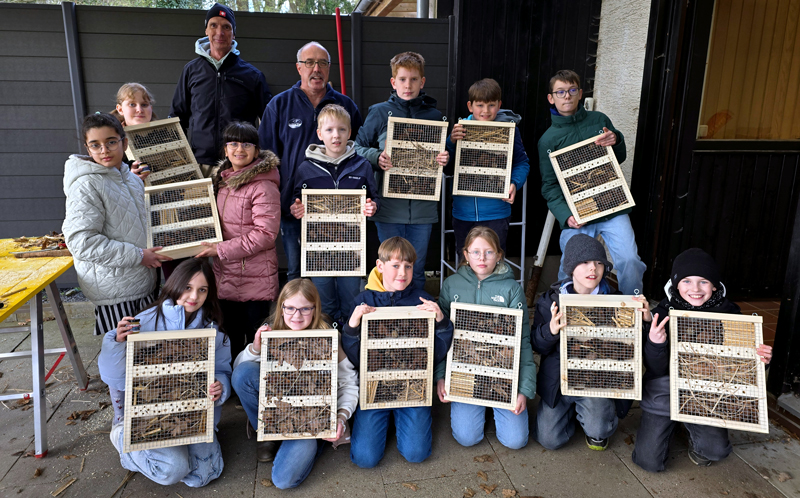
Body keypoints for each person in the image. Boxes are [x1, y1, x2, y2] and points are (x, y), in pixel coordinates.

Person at [632, 248, 773, 471]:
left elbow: (742, 367)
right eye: (686, 281)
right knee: (648, 461)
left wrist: (760, 358)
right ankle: (671, 423)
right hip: (665, 389)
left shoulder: (729, 316)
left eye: (703, 281)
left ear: (715, 285)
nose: (695, 289)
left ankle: (695, 434)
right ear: (676, 284)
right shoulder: (663, 312)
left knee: (715, 451)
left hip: (708, 393)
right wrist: (656, 343)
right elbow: (655, 369)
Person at [97, 258, 232, 487]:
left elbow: (221, 369)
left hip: (192, 414)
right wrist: (117, 342)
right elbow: (114, 377)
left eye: (202, 290)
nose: (193, 297)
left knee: (204, 476)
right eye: (187, 288)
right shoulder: (146, 321)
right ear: (175, 284)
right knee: (172, 470)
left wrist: (221, 386)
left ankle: (176, 451)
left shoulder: (212, 329)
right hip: (150, 413)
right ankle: (122, 437)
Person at [230, 279, 358, 489]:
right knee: (244, 372)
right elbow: (240, 375)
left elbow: (349, 383)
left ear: (315, 309)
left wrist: (341, 418)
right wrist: (255, 348)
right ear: (281, 308)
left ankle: (305, 443)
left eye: (305, 309)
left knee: (283, 480)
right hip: (277, 411)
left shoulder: (329, 337)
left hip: (311, 419)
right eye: (290, 308)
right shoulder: (271, 334)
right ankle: (265, 434)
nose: (296, 316)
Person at [340, 236, 454, 468]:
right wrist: (351, 327)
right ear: (380, 266)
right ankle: (384, 420)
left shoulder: (422, 300)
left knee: (417, 453)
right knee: (364, 458)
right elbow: (352, 357)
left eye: (408, 266)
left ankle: (399, 419)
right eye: (395, 265)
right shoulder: (363, 301)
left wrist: (441, 321)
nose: (402, 272)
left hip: (412, 385)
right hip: (375, 386)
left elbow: (438, 351)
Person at [531, 233, 650, 451]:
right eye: (584, 262)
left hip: (598, 379)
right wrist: (551, 331)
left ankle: (598, 420)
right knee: (549, 440)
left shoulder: (617, 301)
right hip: (560, 380)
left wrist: (644, 322)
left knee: (598, 431)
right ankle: (574, 415)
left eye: (598, 263)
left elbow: (632, 349)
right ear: (570, 267)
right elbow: (537, 345)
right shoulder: (551, 300)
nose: (592, 268)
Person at [258, 41, 362, 282]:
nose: (316, 68)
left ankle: (328, 318)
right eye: (309, 63)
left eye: (322, 63)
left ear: (329, 68)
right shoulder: (279, 105)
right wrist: (279, 199)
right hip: (294, 206)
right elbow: (266, 158)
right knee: (296, 270)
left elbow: (359, 150)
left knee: (334, 268)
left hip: (337, 207)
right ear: (299, 68)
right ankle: (297, 318)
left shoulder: (345, 106)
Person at [537, 69, 646, 295]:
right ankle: (561, 310)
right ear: (551, 98)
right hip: (578, 214)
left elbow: (619, 156)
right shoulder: (548, 139)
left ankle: (634, 316)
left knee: (630, 261)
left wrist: (616, 140)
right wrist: (566, 215)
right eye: (560, 92)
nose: (567, 96)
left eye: (572, 90)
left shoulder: (599, 120)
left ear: (580, 93)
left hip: (611, 206)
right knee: (571, 265)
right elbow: (549, 185)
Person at [62, 113, 170, 336]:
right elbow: (82, 242)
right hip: (116, 293)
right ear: (87, 148)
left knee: (145, 348)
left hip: (141, 283)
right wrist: (140, 255)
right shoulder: (86, 185)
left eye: (111, 142)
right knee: (123, 351)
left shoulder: (129, 178)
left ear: (124, 142)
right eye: (95, 145)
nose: (104, 150)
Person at [355, 51, 449, 292]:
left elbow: (442, 154)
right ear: (393, 82)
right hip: (388, 208)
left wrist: (443, 156)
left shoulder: (434, 116)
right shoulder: (378, 112)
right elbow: (356, 149)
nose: (408, 85)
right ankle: (388, 315)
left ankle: (415, 318)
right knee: (390, 268)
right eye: (403, 79)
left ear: (422, 81)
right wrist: (377, 157)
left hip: (423, 208)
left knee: (415, 269)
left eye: (414, 79)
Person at [436, 226, 536, 449]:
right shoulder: (451, 285)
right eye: (475, 252)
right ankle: (481, 408)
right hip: (465, 371)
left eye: (489, 252)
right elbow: (441, 336)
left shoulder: (512, 289)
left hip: (504, 374)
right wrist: (441, 377)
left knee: (515, 441)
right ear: (465, 254)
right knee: (466, 438)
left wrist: (524, 390)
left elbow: (523, 340)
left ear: (499, 255)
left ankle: (494, 405)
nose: (482, 258)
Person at [195, 122, 280, 361]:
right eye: (233, 143)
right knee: (229, 336)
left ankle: (252, 386)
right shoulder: (222, 182)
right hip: (226, 275)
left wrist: (219, 249)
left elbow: (265, 234)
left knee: (255, 338)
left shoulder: (263, 185)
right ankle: (229, 384)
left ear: (256, 150)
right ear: (225, 149)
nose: (239, 149)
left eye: (246, 144)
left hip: (255, 279)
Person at [290, 104, 380, 327]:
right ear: (320, 134)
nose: (336, 135)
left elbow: (374, 197)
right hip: (319, 250)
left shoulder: (362, 165)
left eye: (341, 129)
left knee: (351, 298)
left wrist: (372, 207)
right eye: (329, 130)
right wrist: (296, 208)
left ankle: (350, 346)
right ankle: (330, 346)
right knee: (324, 303)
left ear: (349, 133)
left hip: (352, 248)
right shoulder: (306, 168)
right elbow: (296, 201)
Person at [170, 3, 271, 178]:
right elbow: (177, 117)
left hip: (239, 166)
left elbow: (269, 121)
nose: (220, 32)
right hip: (200, 165)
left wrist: (257, 157)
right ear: (206, 30)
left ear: (233, 34)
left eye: (226, 27)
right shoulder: (191, 70)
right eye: (214, 25)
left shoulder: (252, 75)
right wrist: (182, 159)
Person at [446, 79, 531, 255]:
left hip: (496, 212)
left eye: (491, 105)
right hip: (463, 212)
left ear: (499, 105)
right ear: (470, 106)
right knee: (466, 263)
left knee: (494, 263)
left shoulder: (509, 130)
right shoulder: (460, 129)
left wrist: (514, 183)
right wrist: (451, 142)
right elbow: (446, 165)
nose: (485, 111)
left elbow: (522, 163)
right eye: (480, 105)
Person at [111, 83, 158, 182]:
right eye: (132, 104)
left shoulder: (164, 134)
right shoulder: (112, 138)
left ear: (151, 108)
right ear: (120, 109)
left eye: (144, 105)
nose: (139, 110)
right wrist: (127, 174)